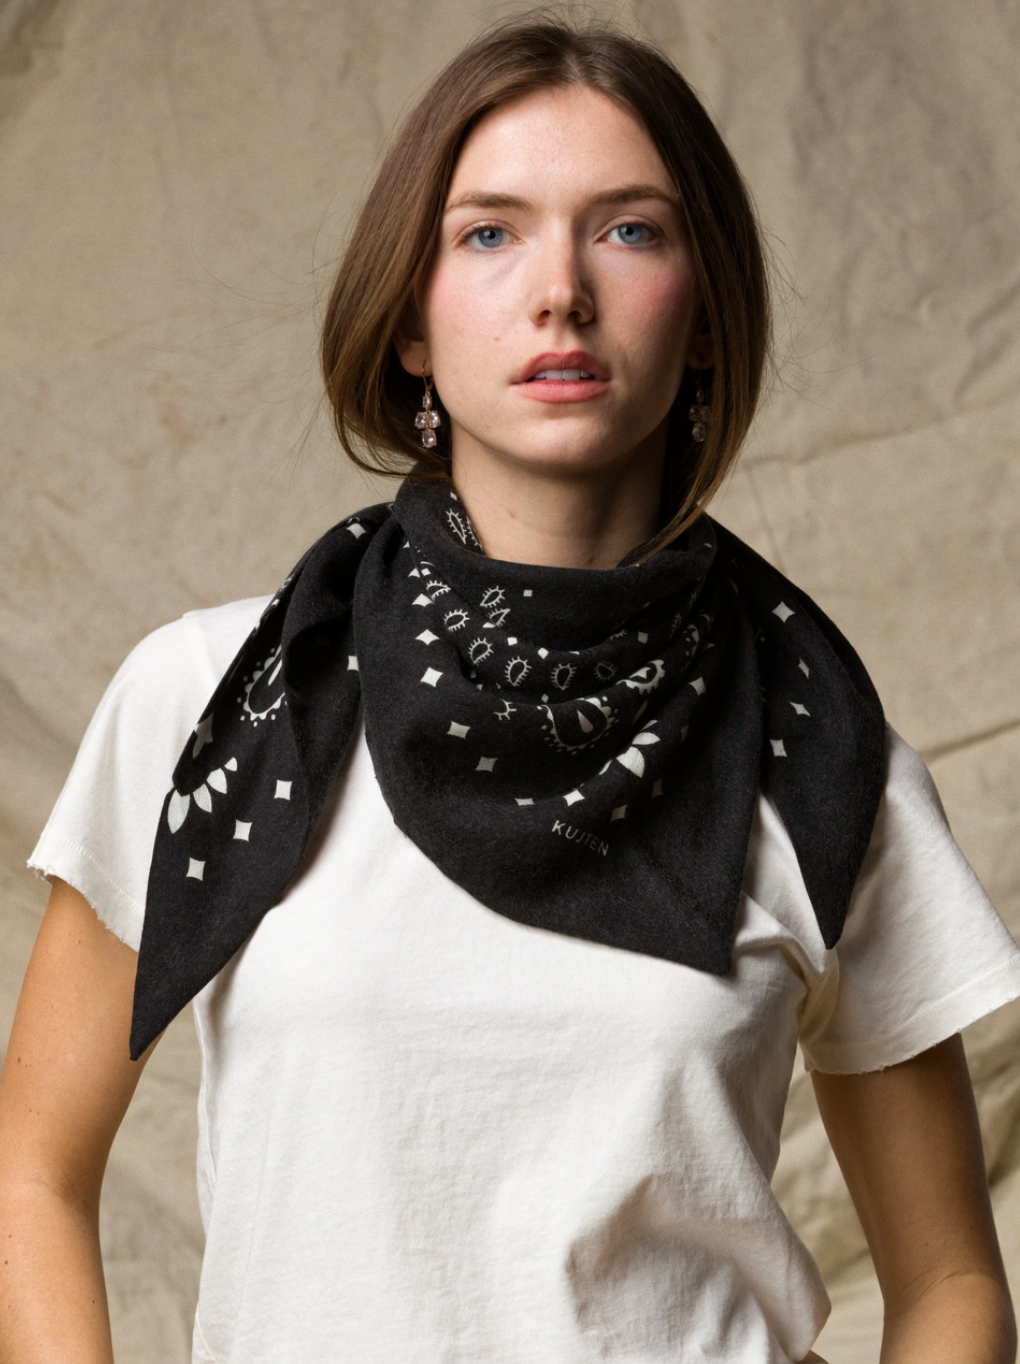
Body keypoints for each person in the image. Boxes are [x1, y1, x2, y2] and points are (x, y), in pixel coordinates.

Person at [0, 14, 1018, 1364]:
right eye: (489, 233)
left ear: (705, 313)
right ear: (411, 324)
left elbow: (950, 1281)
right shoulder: (223, 698)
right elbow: (32, 1175)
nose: (561, 293)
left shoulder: (820, 760)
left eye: (629, 230)